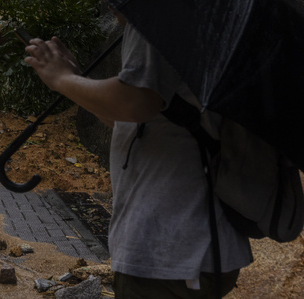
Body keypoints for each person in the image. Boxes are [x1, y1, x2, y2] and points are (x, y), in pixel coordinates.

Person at [24, 22, 252, 298]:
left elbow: (136, 102)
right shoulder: (186, 17)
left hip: (171, 255)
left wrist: (61, 78)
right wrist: (75, 80)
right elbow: (128, 120)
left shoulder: (158, 18)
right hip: (182, 251)